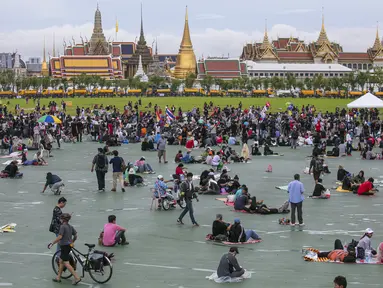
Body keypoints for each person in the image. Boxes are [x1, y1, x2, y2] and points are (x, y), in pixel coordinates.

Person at [48, 213, 81, 285]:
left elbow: (60, 237)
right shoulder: (70, 226)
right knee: (61, 261)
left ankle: (77, 277)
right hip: (68, 246)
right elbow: (75, 235)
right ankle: (58, 277)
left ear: (62, 219)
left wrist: (52, 243)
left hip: (64, 246)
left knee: (66, 263)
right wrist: (72, 241)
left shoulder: (63, 227)